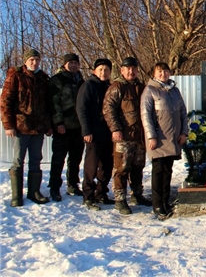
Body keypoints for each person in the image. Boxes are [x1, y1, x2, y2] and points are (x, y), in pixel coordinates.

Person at [1, 49, 51, 206]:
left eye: (37, 60)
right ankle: (17, 195)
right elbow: (5, 102)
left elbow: (48, 104)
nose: (34, 63)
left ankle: (34, 192)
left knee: (36, 160)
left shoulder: (43, 78)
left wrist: (48, 125)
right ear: (25, 61)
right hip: (21, 126)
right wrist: (8, 125)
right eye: (31, 60)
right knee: (18, 161)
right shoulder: (16, 76)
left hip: (38, 127)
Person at [103, 57, 152, 214]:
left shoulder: (142, 87)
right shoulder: (117, 87)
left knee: (138, 167)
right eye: (128, 69)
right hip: (123, 136)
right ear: (122, 70)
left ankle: (137, 195)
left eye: (134, 68)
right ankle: (120, 199)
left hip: (139, 136)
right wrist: (115, 129)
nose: (131, 71)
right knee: (122, 168)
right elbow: (108, 109)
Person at [141, 62, 188, 218]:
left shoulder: (174, 91)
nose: (163, 74)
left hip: (173, 138)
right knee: (158, 171)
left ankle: (165, 201)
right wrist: (151, 136)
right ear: (154, 73)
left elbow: (183, 112)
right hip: (159, 139)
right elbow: (146, 115)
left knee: (168, 170)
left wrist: (184, 133)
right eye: (160, 71)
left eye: (166, 71)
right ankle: (157, 204)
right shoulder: (150, 91)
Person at [76, 58, 115, 210]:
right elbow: (81, 109)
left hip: (107, 132)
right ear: (94, 71)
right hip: (93, 132)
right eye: (100, 70)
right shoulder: (88, 86)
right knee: (91, 165)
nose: (103, 72)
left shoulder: (110, 87)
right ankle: (88, 195)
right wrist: (86, 130)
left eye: (106, 70)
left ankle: (101, 193)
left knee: (106, 165)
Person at [48, 53, 85, 201]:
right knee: (58, 158)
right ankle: (55, 187)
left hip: (78, 126)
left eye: (76, 63)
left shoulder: (81, 81)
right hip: (63, 126)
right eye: (70, 63)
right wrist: (58, 123)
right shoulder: (57, 80)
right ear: (64, 64)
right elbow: (53, 103)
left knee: (75, 158)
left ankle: (73, 184)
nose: (73, 65)